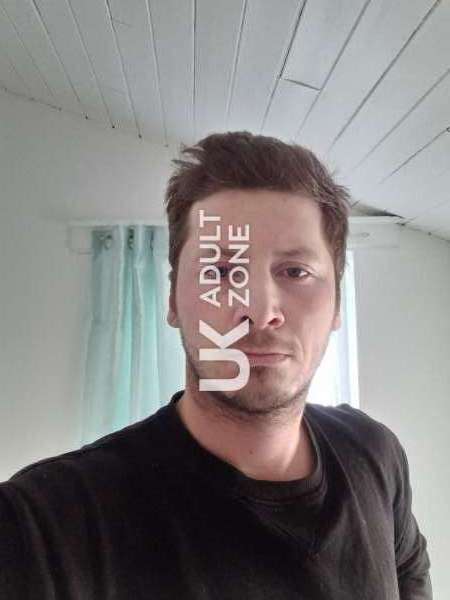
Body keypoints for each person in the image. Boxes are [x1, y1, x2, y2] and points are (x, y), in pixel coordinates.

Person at [0, 132, 432, 599]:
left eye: (295, 272)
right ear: (172, 299)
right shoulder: (44, 524)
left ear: (336, 305)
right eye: (221, 272)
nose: (259, 310)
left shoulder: (376, 456)